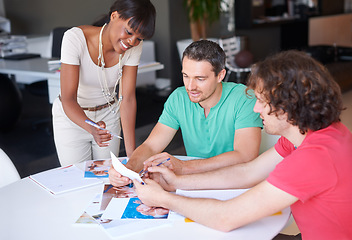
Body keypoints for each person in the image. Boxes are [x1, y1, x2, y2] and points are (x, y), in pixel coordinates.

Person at [133, 50, 352, 239]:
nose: (256, 109)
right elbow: (248, 172)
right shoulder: (313, 134)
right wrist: (179, 182)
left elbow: (226, 217)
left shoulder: (313, 158)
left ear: (288, 106)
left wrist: (164, 198)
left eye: (262, 101)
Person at [109, 40, 263, 186]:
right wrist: (128, 169)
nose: (190, 87)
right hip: (193, 180)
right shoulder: (179, 97)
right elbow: (150, 146)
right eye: (186, 76)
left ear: (220, 75)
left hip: (236, 180)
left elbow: (245, 155)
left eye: (200, 79)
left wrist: (185, 167)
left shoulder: (244, 98)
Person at [52, 0, 156, 166]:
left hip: (108, 116)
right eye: (129, 32)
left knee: (108, 177)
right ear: (114, 16)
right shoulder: (75, 38)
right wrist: (92, 127)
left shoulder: (135, 46)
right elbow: (68, 98)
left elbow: (127, 98)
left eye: (139, 38)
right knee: (77, 179)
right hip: (73, 119)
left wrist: (132, 155)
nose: (132, 42)